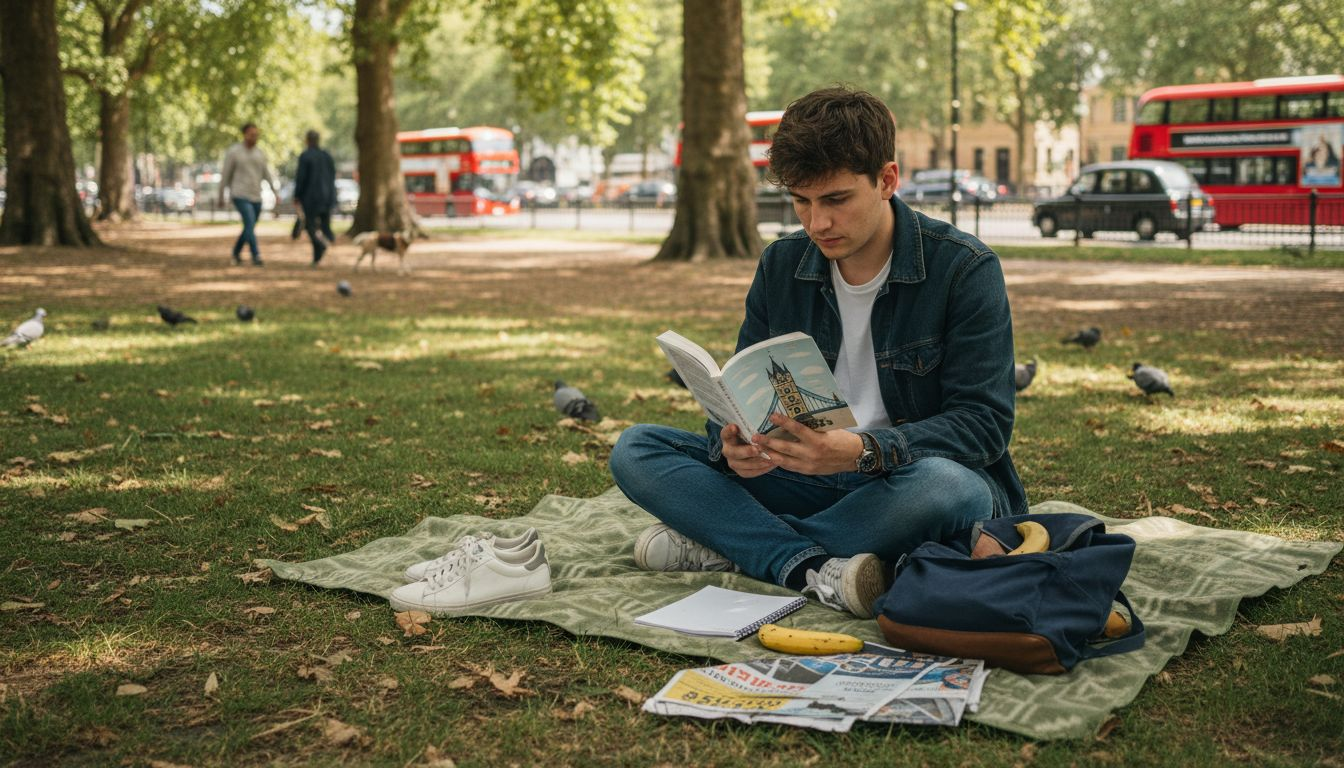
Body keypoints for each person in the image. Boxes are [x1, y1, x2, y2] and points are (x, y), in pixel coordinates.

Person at [608, 86, 1026, 619]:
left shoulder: (964, 270)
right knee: (637, 448)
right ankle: (810, 567)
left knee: (956, 491)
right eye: (800, 201)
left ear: (887, 180)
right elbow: (740, 392)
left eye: (835, 200)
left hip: (898, 483)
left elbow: (984, 427)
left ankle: (737, 546)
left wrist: (861, 450)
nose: (816, 223)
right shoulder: (782, 265)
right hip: (796, 474)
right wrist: (733, 442)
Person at [219, 122, 278, 266]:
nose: (255, 137)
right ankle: (256, 255)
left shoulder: (260, 153)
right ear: (245, 134)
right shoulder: (234, 152)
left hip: (256, 195)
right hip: (239, 194)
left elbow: (267, 173)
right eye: (252, 134)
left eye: (256, 135)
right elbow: (226, 174)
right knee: (250, 221)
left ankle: (236, 252)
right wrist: (221, 195)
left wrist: (275, 191)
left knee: (249, 227)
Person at [293, 129, 337, 266]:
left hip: (310, 198)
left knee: (310, 226)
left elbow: (301, 178)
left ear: (307, 140)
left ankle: (320, 246)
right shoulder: (327, 156)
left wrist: (297, 195)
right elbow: (332, 177)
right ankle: (317, 256)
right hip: (327, 197)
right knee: (324, 226)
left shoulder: (305, 156)